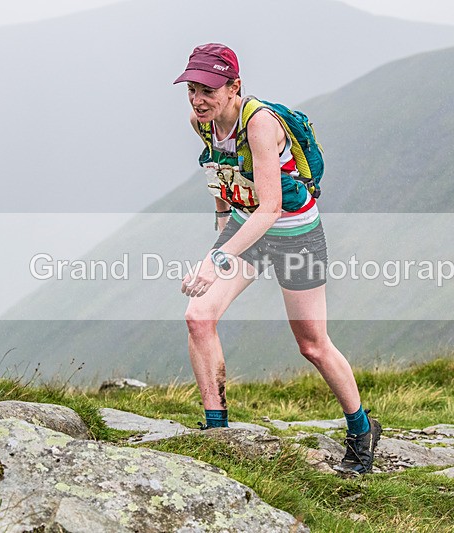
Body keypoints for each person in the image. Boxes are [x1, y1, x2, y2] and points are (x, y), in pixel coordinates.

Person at [173, 43, 381, 475]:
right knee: (199, 317)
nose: (198, 99)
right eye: (192, 89)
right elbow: (219, 170)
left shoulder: (261, 125)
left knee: (312, 345)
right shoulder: (202, 122)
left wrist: (216, 258)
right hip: (246, 226)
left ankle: (362, 431)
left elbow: (271, 209)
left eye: (209, 89)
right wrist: (220, 221)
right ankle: (218, 433)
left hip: (294, 234)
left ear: (235, 87)